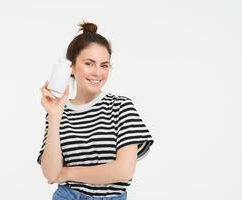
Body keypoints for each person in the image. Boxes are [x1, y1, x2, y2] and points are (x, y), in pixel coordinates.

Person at [37, 21, 154, 200]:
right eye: (89, 63)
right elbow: (51, 174)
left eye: (104, 65)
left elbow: (124, 170)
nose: (98, 73)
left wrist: (68, 173)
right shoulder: (58, 113)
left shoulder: (121, 106)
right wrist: (54, 116)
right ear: (72, 68)